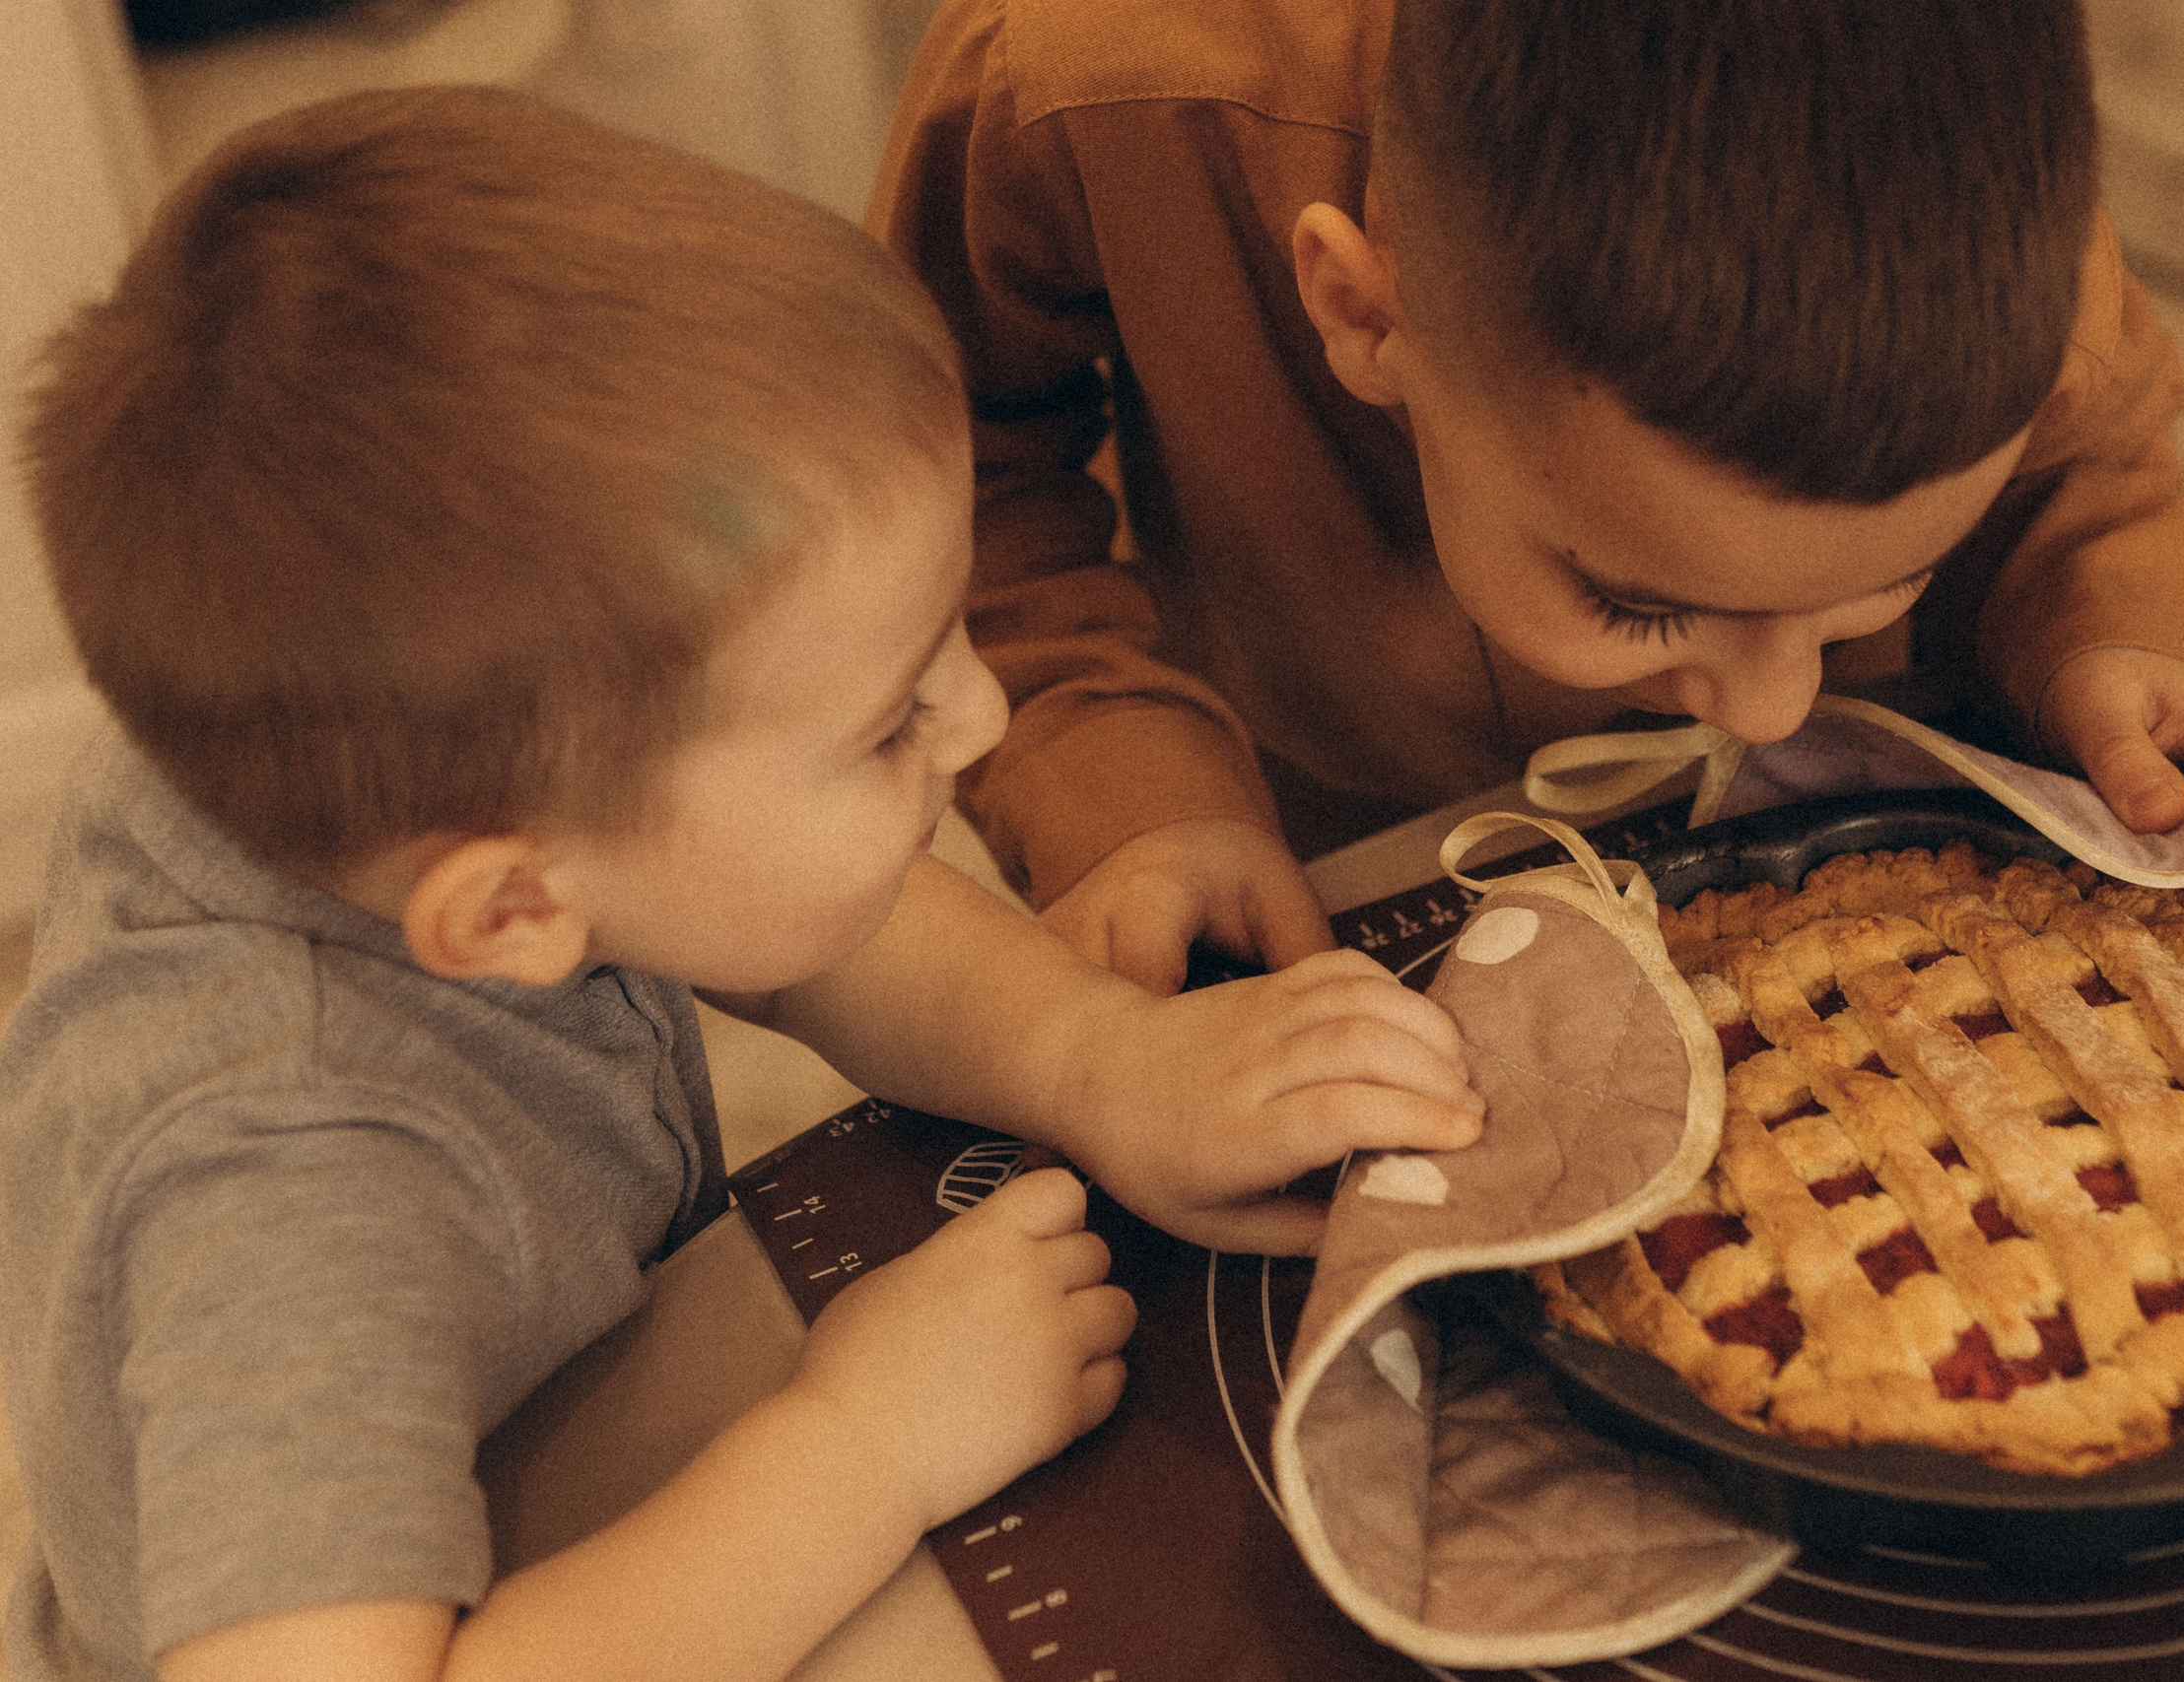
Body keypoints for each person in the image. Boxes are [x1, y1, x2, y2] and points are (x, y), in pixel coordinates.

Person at [0, 86, 1480, 1682]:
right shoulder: (283, 1193)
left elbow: (782, 928)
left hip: (568, 1434)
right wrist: (864, 1447)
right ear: (509, 915)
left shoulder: (403, 753)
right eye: (886, 724)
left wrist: (1095, 1058)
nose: (981, 720)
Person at [870, 0, 2184, 996]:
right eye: (1638, 599)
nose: (1767, 705)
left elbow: (2093, 477)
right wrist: (1124, 795)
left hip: (1864, 854)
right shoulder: (1085, 82)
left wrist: (2117, 627)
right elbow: (948, 462)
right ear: (1365, 314)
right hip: (1314, 828)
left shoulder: (1982, 207)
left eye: (1879, 577)